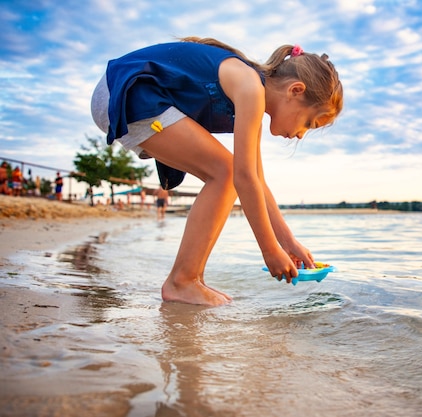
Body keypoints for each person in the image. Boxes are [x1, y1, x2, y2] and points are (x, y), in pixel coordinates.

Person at [90, 37, 343, 306]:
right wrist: (269, 250)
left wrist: (288, 243)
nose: (302, 135)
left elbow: (256, 179)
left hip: (127, 94)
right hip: (127, 92)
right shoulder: (250, 87)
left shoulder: (252, 93)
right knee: (225, 173)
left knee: (226, 172)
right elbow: (243, 178)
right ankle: (182, 281)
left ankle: (191, 279)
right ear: (295, 90)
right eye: (309, 122)